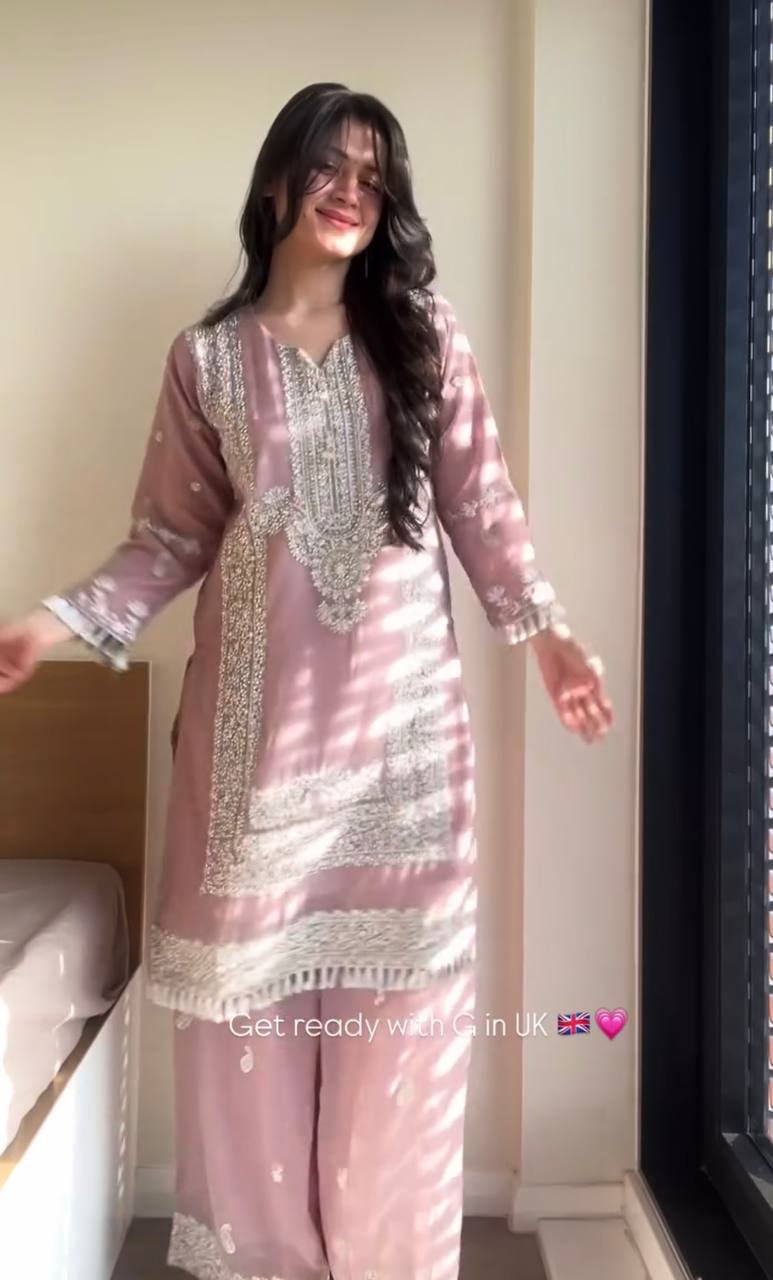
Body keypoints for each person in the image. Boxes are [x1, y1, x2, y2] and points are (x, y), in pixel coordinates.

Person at [0, 82, 613, 1280]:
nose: (350, 193)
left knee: (401, 1059)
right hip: (253, 762)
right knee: (251, 1057)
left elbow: (481, 504)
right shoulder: (206, 359)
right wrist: (56, 621)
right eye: (330, 166)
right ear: (278, 178)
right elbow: (168, 538)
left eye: (372, 177)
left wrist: (545, 631)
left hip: (402, 761)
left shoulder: (421, 334)